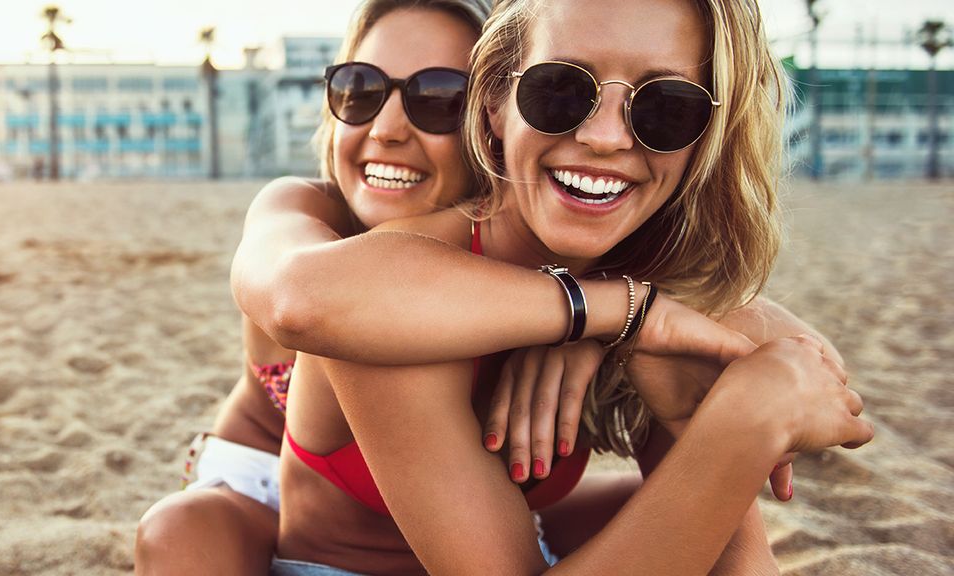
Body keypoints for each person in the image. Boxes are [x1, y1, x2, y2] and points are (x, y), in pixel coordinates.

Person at [233, 0, 873, 573]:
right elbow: (301, 297)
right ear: (494, 102)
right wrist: (741, 422)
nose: (604, 137)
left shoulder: (645, 290)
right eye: (561, 90)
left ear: (708, 134)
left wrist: (609, 327)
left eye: (665, 108)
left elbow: (752, 546)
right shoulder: (388, 292)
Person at [135, 1, 493, 573]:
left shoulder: (540, 259)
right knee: (179, 531)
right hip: (261, 493)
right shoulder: (302, 210)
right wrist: (582, 306)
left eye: (439, 99)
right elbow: (301, 293)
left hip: (434, 506)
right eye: (360, 90)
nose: (386, 129)